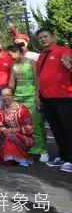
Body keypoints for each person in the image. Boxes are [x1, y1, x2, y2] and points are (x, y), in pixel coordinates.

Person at [35, 28, 72, 172]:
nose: (43, 39)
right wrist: (38, 94)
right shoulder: (41, 56)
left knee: (68, 128)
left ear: (53, 37)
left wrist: (69, 65)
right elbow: (39, 77)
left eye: (45, 36)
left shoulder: (64, 50)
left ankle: (71, 159)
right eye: (40, 38)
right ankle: (63, 156)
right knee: (56, 129)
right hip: (47, 98)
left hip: (64, 97)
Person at [7, 44, 48, 162]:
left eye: (12, 54)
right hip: (18, 96)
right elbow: (12, 82)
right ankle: (27, 148)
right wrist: (9, 96)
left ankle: (41, 150)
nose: (11, 57)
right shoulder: (13, 64)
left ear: (19, 52)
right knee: (20, 124)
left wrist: (37, 96)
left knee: (35, 123)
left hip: (31, 96)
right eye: (9, 55)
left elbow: (37, 80)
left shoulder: (32, 63)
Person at [0, 86, 34, 167]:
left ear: (13, 96)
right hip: (8, 136)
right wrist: (4, 130)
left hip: (25, 138)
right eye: (3, 95)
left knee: (10, 136)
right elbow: (1, 125)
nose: (5, 97)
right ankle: (14, 158)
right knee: (7, 136)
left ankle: (21, 158)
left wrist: (14, 130)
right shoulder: (2, 111)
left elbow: (30, 127)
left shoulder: (22, 109)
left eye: (8, 95)